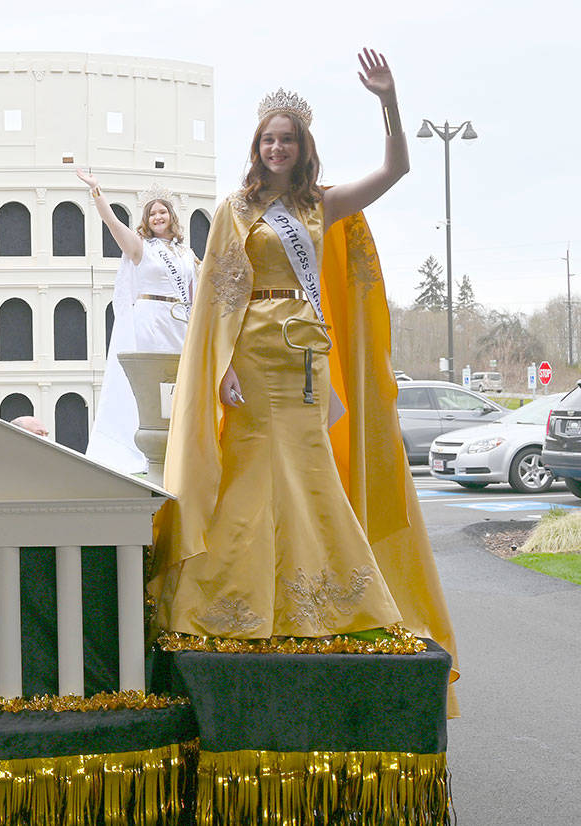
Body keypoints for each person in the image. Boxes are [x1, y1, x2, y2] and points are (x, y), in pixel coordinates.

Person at [153, 51, 458, 675]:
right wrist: (221, 365)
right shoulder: (235, 209)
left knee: (310, 468)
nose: (276, 148)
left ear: (302, 145)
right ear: (256, 146)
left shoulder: (320, 206)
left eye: (287, 139)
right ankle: (232, 600)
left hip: (305, 356)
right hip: (252, 352)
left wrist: (388, 102)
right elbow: (215, 294)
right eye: (268, 139)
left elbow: (396, 169)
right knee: (252, 469)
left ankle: (324, 602)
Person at [76, 169, 196, 474]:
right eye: (152, 213)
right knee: (153, 383)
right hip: (151, 322)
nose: (157, 216)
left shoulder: (186, 253)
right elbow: (112, 224)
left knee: (180, 383)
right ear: (147, 219)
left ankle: (178, 445)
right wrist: (97, 191)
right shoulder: (141, 247)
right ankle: (147, 447)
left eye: (162, 211)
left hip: (180, 323)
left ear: (171, 216)